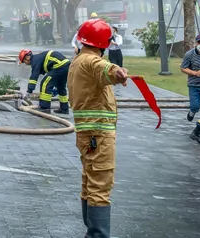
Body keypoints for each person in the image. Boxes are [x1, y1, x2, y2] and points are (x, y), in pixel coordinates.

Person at [68, 18, 130, 238]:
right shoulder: (91, 61)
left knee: (89, 181)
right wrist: (118, 72)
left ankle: (91, 232)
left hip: (87, 134)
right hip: (99, 134)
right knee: (101, 185)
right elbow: (106, 69)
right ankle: (98, 235)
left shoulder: (77, 60)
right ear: (103, 44)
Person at [19, 47, 71, 114]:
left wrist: (29, 90)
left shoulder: (34, 61)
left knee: (45, 83)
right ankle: (64, 109)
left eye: (24, 62)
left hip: (59, 65)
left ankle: (44, 107)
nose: (25, 64)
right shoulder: (38, 58)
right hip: (65, 66)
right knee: (60, 87)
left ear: (27, 58)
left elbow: (34, 76)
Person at [180, 33, 200, 123]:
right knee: (195, 106)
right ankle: (192, 112)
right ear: (195, 43)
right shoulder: (189, 54)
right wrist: (195, 73)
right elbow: (183, 68)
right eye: (199, 42)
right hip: (194, 84)